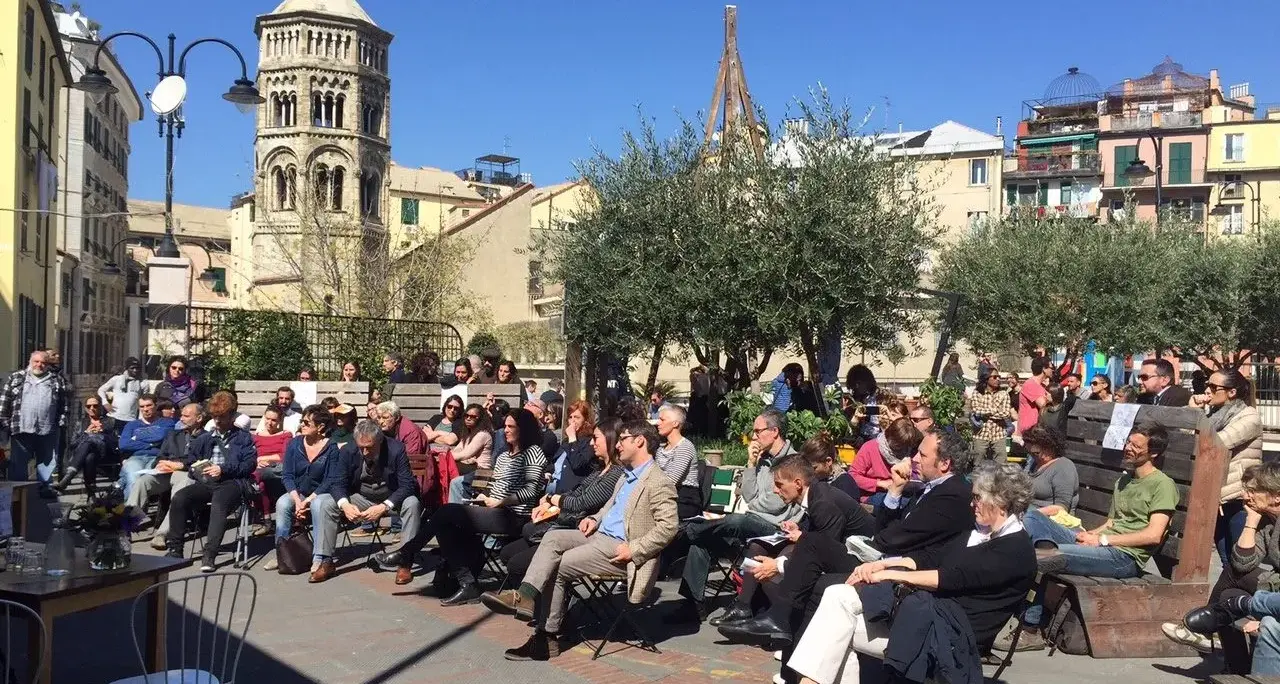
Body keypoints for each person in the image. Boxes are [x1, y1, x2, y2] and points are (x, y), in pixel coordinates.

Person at [719, 430, 975, 648]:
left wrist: (780, 566)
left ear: (945, 463)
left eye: (923, 454)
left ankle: (784, 635)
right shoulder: (930, 489)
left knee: (813, 580)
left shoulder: (951, 495)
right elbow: (885, 528)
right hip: (879, 555)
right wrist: (895, 490)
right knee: (810, 543)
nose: (913, 459)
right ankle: (778, 621)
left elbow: (896, 537)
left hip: (899, 571)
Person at [786, 464, 1037, 684]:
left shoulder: (1015, 550)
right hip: (925, 618)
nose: (972, 504)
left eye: (978, 498)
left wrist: (891, 575)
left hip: (950, 638)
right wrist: (882, 565)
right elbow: (930, 558)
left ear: (1000, 502)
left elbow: (948, 578)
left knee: (836, 627)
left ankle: (806, 680)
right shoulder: (978, 534)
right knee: (838, 594)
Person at [480, 419, 678, 662]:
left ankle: (546, 638)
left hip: (619, 549)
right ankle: (525, 597)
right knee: (552, 538)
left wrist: (635, 549)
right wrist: (595, 518)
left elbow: (669, 527)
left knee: (560, 565)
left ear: (639, 441)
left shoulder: (658, 481)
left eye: (623, 439)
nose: (618, 446)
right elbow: (610, 507)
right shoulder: (626, 476)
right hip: (599, 536)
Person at [997, 423, 1179, 652]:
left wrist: (1103, 540)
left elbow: (1153, 535)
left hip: (1123, 557)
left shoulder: (1162, 484)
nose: (1128, 448)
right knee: (1033, 517)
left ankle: (1030, 629)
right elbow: (1114, 522)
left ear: (1153, 453)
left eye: (1136, 445)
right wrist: (1094, 533)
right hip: (1102, 544)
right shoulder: (1124, 480)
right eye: (1128, 442)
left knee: (1040, 557)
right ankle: (1043, 554)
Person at [391, 408, 548, 601]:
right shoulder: (504, 456)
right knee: (445, 526)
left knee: (447, 512)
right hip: (493, 509)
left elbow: (531, 490)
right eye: (505, 426)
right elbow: (495, 485)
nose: (505, 430)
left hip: (514, 516)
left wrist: (501, 501)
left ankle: (406, 553)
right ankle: (467, 583)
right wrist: (485, 495)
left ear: (523, 430)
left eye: (511, 427)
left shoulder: (533, 453)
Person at [715, 441, 876, 628]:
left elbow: (823, 550)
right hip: (840, 554)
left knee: (773, 574)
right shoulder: (815, 496)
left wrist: (779, 565)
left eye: (779, 484)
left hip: (861, 563)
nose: (775, 490)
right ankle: (760, 613)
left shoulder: (823, 503)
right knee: (763, 554)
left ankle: (788, 624)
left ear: (798, 483)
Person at [677, 409, 803, 621]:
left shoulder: (793, 462)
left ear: (774, 431)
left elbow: (775, 503)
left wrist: (753, 503)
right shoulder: (762, 460)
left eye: (758, 431)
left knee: (738, 520)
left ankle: (684, 530)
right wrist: (751, 464)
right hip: (751, 524)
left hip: (776, 529)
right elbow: (748, 493)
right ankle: (693, 604)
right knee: (703, 541)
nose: (754, 437)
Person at [1163, 462, 1280, 669]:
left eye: (1253, 491)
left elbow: (1238, 570)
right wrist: (1251, 522)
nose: (1246, 496)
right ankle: (1236, 669)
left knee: (1231, 578)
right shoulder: (1265, 520)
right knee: (1228, 596)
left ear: (1276, 495)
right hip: (1275, 585)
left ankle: (1207, 631)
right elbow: (1243, 563)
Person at [492, 417, 625, 583]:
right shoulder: (598, 470)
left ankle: (532, 600)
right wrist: (549, 503)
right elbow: (575, 493)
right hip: (563, 523)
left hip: (580, 531)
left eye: (596, 438)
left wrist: (551, 498)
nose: (592, 444)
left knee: (517, 563)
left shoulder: (616, 473)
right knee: (508, 552)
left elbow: (581, 503)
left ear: (610, 438)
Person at [310, 419, 421, 583]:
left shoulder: (396, 449)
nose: (365, 451)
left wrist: (384, 506)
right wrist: (345, 505)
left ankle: (405, 562)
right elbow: (336, 482)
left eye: (369, 447)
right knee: (326, 502)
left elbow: (407, 485)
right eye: (361, 447)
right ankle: (326, 561)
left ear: (380, 440)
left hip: (391, 498)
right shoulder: (348, 450)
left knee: (412, 503)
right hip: (361, 497)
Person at [164, 391, 259, 573]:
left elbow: (249, 465)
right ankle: (175, 548)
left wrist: (223, 469)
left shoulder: (244, 438)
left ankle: (210, 553)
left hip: (233, 482)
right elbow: (191, 462)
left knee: (219, 502)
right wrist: (198, 471)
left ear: (232, 415)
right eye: (215, 417)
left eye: (222, 417)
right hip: (207, 482)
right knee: (180, 497)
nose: (217, 421)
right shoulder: (204, 438)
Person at [1193, 369, 1263, 566]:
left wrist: (1197, 414)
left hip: (1238, 497)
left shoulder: (1249, 418)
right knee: (1225, 559)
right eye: (1207, 385)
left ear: (1231, 392)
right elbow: (1186, 435)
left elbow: (1214, 444)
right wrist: (1194, 411)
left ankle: (1248, 597)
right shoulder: (1216, 415)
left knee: (1240, 561)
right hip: (1218, 495)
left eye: (1213, 387)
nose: (1207, 390)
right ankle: (1227, 597)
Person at [263, 406, 340, 572]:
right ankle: (282, 553)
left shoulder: (331, 447)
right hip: (298, 492)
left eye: (307, 422)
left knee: (318, 504)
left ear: (320, 427)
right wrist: (298, 501)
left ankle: (320, 556)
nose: (302, 425)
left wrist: (308, 500)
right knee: (283, 504)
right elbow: (287, 475)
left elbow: (330, 480)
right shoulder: (295, 444)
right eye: (301, 421)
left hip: (321, 493)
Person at [0, 350, 72, 488]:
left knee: (46, 463)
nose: (39, 365)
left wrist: (60, 424)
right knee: (18, 464)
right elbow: (4, 401)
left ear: (48, 365)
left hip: (48, 429)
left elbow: (65, 405)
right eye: (36, 361)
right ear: (30, 362)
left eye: (43, 363)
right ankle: (18, 490)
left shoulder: (56, 380)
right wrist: (5, 423)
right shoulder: (16, 377)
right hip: (21, 429)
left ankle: (44, 489)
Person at [141, 403, 207, 550]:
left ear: (199, 418)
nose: (181, 419)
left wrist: (179, 465)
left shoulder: (206, 438)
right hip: (165, 473)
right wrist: (160, 464)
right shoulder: (173, 435)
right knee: (142, 483)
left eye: (186, 416)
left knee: (180, 490)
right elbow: (159, 457)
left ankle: (162, 534)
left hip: (186, 474)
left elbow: (200, 462)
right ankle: (126, 527)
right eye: (181, 415)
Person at [848, 418, 923, 506]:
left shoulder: (907, 452)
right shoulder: (870, 448)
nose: (901, 449)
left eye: (905, 446)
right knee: (903, 503)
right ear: (890, 437)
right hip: (873, 494)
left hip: (900, 490)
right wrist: (880, 483)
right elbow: (852, 476)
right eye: (898, 445)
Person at [53, 396, 119, 494]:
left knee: (89, 442)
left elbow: (115, 442)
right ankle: (91, 494)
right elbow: (72, 445)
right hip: (88, 454)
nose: (92, 408)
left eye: (95, 405)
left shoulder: (110, 421)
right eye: (89, 406)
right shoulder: (81, 423)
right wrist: (86, 433)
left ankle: (69, 476)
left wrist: (103, 431)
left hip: (104, 453)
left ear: (100, 407)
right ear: (85, 408)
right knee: (89, 457)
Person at [117, 394, 178, 496]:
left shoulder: (167, 423)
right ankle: (132, 510)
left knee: (145, 480)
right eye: (142, 406)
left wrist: (136, 438)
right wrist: (151, 443)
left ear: (156, 405)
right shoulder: (131, 425)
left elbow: (160, 436)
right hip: (136, 458)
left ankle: (131, 507)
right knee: (133, 479)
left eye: (149, 405)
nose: (145, 409)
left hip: (157, 458)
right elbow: (124, 444)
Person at [655, 404, 701, 519]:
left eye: (662, 420)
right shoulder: (661, 449)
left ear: (675, 424)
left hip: (685, 500)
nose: (658, 423)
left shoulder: (685, 447)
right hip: (665, 496)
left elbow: (671, 480)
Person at [544, 400, 596, 497]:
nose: (572, 421)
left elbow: (578, 463)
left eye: (576, 417)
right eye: (570, 417)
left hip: (570, 494)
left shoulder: (589, 441)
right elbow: (556, 463)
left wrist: (572, 438)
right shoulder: (566, 441)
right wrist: (547, 472)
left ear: (585, 420)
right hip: (553, 489)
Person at [1023, 425, 1079, 514]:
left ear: (1049, 447)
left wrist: (1030, 515)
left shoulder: (1063, 466)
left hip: (1051, 520)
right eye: (1030, 453)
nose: (1034, 456)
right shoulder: (1034, 464)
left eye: (1036, 453)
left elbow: (1061, 508)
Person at [447, 403, 496, 503]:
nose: (468, 419)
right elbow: (456, 450)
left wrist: (444, 456)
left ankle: (454, 511)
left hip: (483, 473)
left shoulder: (483, 434)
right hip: (472, 468)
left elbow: (464, 454)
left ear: (480, 419)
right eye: (466, 416)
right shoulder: (468, 434)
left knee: (451, 475)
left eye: (473, 416)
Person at [253, 405, 295, 505]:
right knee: (259, 477)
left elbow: (285, 456)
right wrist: (256, 462)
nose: (270, 423)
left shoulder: (286, 435)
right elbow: (251, 456)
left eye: (274, 420)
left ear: (280, 421)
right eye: (267, 419)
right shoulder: (255, 437)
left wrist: (261, 458)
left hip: (278, 468)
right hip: (259, 467)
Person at [97, 357, 146, 435]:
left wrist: (141, 419)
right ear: (126, 368)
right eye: (132, 368)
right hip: (113, 417)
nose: (135, 370)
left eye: (137, 368)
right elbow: (101, 390)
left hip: (130, 419)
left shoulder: (143, 383)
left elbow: (143, 402)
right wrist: (105, 402)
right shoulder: (116, 379)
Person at [1017, 357, 1052, 436]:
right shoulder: (1031, 385)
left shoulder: (1041, 386)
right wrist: (1051, 399)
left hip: (1037, 430)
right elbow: (1044, 406)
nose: (1052, 370)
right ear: (1044, 369)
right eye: (1051, 367)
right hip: (1029, 431)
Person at [846, 365, 881, 444]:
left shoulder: (879, 397)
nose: (857, 386)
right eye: (855, 383)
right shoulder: (853, 400)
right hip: (860, 438)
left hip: (878, 437)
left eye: (860, 382)